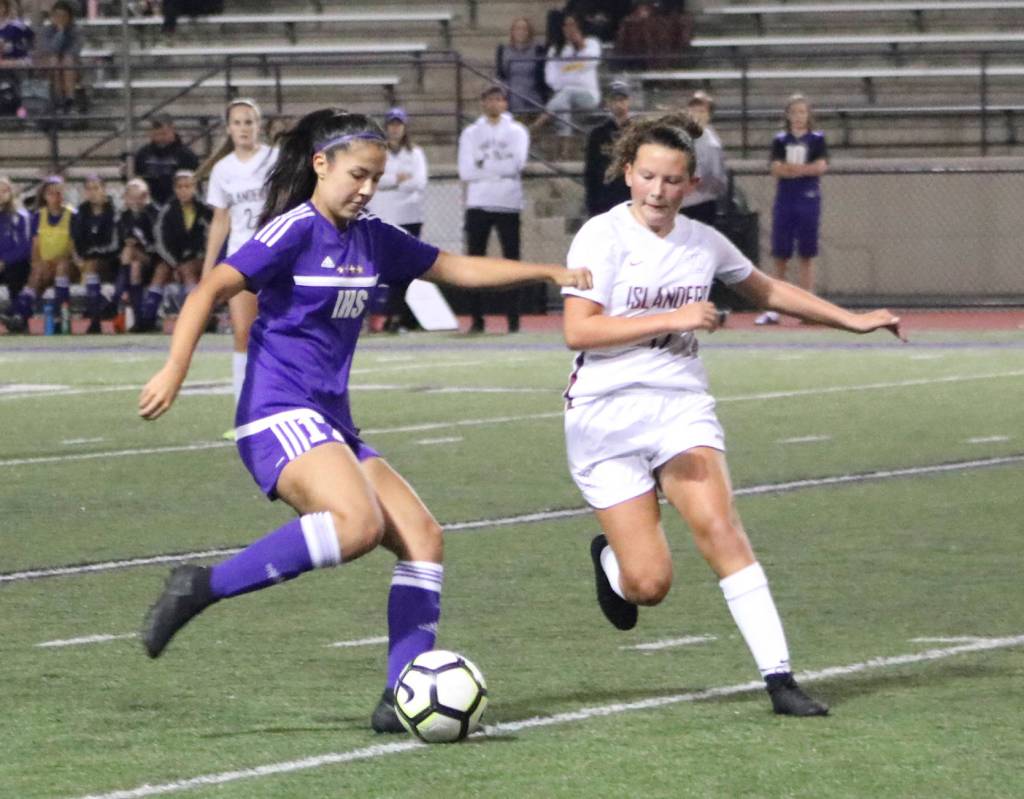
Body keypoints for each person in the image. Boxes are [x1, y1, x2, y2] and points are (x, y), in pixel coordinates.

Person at [136, 108, 592, 735]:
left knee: (423, 540)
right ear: (320, 165)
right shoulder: (294, 229)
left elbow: (455, 267)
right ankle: (201, 586)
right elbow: (209, 288)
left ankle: (395, 694)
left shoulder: (373, 234)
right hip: (277, 412)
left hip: (331, 422)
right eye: (357, 175)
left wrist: (547, 271)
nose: (367, 189)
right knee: (356, 525)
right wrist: (175, 369)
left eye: (375, 178)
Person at [560, 113, 903, 718]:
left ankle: (780, 679)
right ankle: (611, 560)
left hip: (678, 407)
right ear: (628, 174)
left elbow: (767, 290)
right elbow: (578, 330)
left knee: (721, 529)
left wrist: (851, 320)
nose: (658, 192)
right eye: (647, 177)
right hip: (604, 415)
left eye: (671, 180)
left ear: (691, 183)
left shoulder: (703, 241)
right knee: (649, 585)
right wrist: (676, 317)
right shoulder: (600, 236)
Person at [195, 97, 277, 433]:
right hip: (243, 259)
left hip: (278, 256)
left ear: (259, 125)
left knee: (280, 333)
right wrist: (208, 268)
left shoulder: (275, 159)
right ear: (229, 128)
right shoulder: (223, 169)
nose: (244, 128)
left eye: (249, 122)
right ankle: (246, 418)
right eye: (238, 123)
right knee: (243, 333)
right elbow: (220, 219)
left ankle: (284, 409)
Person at [457, 86, 530, 334]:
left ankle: (514, 321)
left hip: (508, 204)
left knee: (512, 263)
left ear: (505, 103)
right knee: (475, 262)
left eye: (499, 99)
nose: (494, 104)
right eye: (489, 99)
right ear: (482, 103)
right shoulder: (470, 133)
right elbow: (466, 171)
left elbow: (517, 164)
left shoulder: (517, 131)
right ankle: (477, 320)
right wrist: (499, 168)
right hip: (478, 203)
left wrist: (484, 166)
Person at [757, 94, 828, 326]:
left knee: (806, 254)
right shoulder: (780, 140)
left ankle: (808, 307)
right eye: (794, 112)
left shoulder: (817, 139)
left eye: (802, 112)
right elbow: (777, 168)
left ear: (809, 115)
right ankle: (775, 308)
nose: (798, 117)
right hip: (785, 199)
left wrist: (797, 170)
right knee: (780, 254)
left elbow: (819, 167)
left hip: (808, 199)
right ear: (787, 115)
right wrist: (797, 170)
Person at [365, 106, 428, 333]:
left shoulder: (415, 153)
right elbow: (374, 180)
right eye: (391, 124)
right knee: (385, 271)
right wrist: (398, 179)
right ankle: (389, 316)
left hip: (410, 216)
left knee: (406, 272)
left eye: (398, 124)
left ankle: (397, 317)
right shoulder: (377, 153)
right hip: (385, 217)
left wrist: (391, 182)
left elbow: (419, 182)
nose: (395, 129)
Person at [136, 170, 211, 332]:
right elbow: (161, 241)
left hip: (200, 258)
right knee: (161, 271)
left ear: (195, 188)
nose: (184, 190)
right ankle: (147, 318)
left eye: (188, 186)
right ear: (175, 189)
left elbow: (211, 236)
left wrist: (201, 256)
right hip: (176, 258)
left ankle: (195, 318)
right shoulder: (168, 211)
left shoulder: (205, 210)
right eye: (180, 187)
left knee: (189, 270)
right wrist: (175, 264)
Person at [1, 175, 75, 333]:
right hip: (45, 265)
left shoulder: (72, 215)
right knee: (37, 271)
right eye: (51, 193)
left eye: (59, 192)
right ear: (44, 195)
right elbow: (35, 247)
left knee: (58, 267)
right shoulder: (39, 216)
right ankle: (20, 317)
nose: (55, 196)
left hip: (68, 264)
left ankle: (59, 318)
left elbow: (74, 247)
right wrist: (38, 264)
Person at [532, 13, 601, 141]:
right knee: (563, 102)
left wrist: (580, 45)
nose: (570, 29)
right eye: (566, 25)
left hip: (589, 96)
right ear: (562, 28)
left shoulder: (591, 43)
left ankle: (539, 123)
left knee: (566, 93)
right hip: (563, 95)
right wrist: (567, 81)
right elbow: (550, 78)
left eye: (573, 25)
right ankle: (565, 145)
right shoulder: (556, 50)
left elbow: (591, 62)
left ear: (579, 26)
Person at [70, 174, 119, 333]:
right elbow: (75, 239)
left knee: (92, 265)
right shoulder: (80, 212)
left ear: (104, 189)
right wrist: (77, 258)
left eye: (96, 188)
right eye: (89, 189)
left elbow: (115, 244)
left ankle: (94, 318)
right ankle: (61, 316)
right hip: (85, 260)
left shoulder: (114, 211)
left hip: (110, 260)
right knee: (66, 266)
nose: (92, 192)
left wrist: (94, 253)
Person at [115, 177, 159, 331]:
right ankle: (139, 320)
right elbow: (117, 243)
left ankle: (118, 295)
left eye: (139, 196)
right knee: (133, 264)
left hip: (154, 261)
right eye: (131, 196)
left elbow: (158, 244)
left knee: (130, 253)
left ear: (146, 196)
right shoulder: (123, 216)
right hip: (133, 263)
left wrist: (140, 244)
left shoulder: (153, 214)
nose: (135, 200)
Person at [583, 79, 632, 218]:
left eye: (622, 99)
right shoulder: (598, 134)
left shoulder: (638, 131)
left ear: (629, 101)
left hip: (630, 199)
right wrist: (591, 203)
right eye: (614, 100)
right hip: (604, 200)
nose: (619, 104)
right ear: (608, 103)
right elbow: (591, 170)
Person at [680, 90, 728, 226]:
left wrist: (695, 185)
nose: (696, 115)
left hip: (701, 205)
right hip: (681, 205)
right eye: (693, 110)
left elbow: (718, 180)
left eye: (701, 111)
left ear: (709, 115)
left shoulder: (711, 143)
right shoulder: (682, 136)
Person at [133, 113, 200, 208]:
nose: (160, 138)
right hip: (149, 208)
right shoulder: (143, 155)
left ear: (172, 129)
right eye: (156, 134)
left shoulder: (186, 155)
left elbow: (195, 183)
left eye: (163, 134)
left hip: (178, 206)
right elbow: (135, 180)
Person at [495, 17, 547, 117]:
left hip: (531, 91)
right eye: (517, 29)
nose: (521, 32)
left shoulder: (538, 49)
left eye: (524, 29)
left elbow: (541, 77)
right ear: (512, 32)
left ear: (529, 32)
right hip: (508, 89)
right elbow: (499, 74)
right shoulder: (503, 49)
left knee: (516, 95)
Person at [39, 0, 83, 114]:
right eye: (57, 16)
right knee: (54, 60)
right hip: (51, 65)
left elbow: (75, 51)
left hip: (72, 65)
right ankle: (59, 100)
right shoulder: (46, 31)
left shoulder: (76, 30)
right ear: (52, 17)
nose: (60, 18)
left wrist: (63, 57)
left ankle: (69, 99)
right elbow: (49, 50)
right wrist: (60, 33)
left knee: (68, 60)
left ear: (70, 17)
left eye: (64, 16)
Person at [0, 176, 32, 330]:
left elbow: (24, 246)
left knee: (16, 273)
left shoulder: (20, 216)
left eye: (4, 190)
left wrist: (4, 261)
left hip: (14, 263)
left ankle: (19, 318)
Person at [0, 0, 35, 118]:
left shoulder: (17, 25)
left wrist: (28, 55)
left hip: (18, 61)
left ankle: (22, 113)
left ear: (5, 8)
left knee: (18, 81)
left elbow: (32, 39)